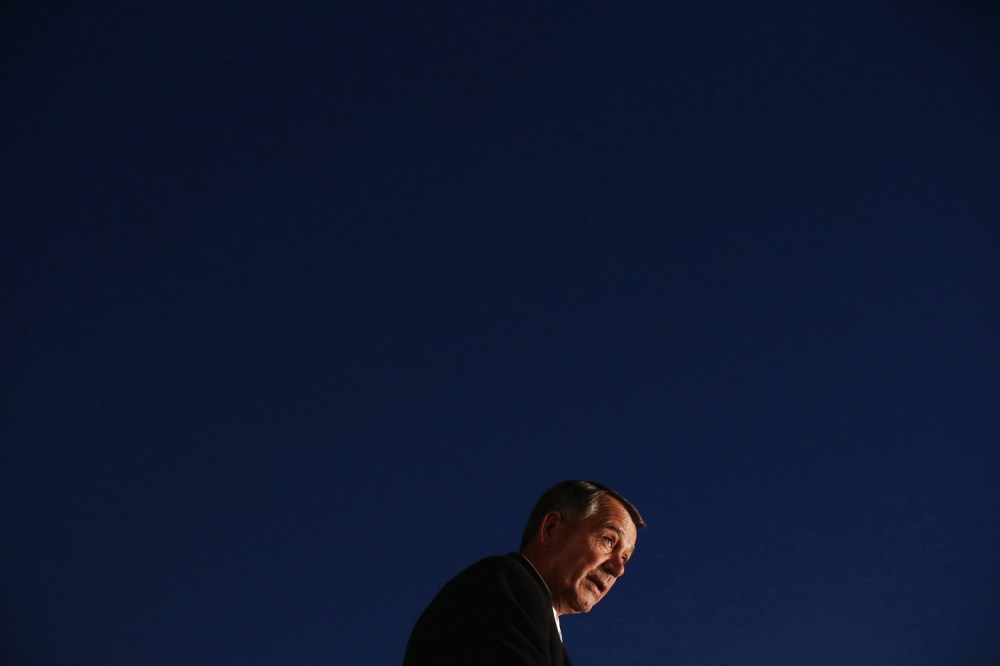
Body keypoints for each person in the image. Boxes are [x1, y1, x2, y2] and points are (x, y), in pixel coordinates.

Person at [403, 480, 645, 665]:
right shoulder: (500, 587)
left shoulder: (537, 624)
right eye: (608, 541)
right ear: (551, 529)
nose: (618, 568)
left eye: (625, 557)